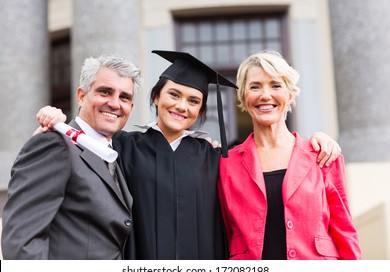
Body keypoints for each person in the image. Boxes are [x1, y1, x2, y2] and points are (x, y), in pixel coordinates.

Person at [36, 50, 341, 260]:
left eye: (193, 101)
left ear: (200, 111)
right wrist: (53, 121)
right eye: (173, 95)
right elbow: (81, 143)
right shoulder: (123, 146)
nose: (182, 106)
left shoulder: (214, 155)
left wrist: (320, 139)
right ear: (156, 97)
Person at [217, 50, 361, 260]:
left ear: (290, 94)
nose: (265, 95)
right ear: (243, 97)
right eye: (255, 86)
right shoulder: (225, 164)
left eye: (276, 85)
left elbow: (345, 231)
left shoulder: (323, 156)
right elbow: (223, 235)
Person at [1, 54, 142, 259]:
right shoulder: (55, 144)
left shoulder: (115, 156)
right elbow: (21, 240)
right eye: (105, 92)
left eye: (124, 97)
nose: (114, 103)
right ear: (81, 96)